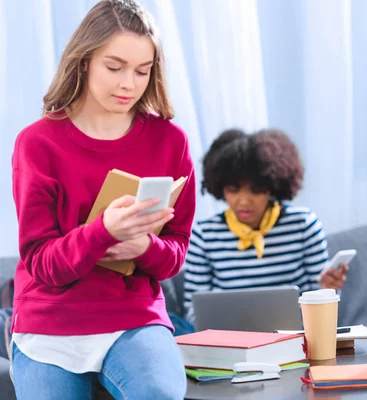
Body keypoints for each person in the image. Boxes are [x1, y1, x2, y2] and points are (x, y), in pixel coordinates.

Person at [10, 1, 195, 398]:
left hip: (133, 318)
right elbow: (42, 263)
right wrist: (103, 233)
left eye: (142, 71)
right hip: (50, 321)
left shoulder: (170, 141)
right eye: (115, 67)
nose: (129, 83)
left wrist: (144, 246)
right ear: (84, 61)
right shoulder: (37, 144)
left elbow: (175, 253)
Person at [183, 128, 347, 324]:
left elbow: (322, 306)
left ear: (273, 186)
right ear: (220, 187)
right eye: (233, 190)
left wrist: (329, 290)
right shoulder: (204, 235)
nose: (244, 202)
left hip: (296, 341)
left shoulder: (303, 225)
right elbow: (193, 311)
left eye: (256, 190)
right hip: (231, 346)